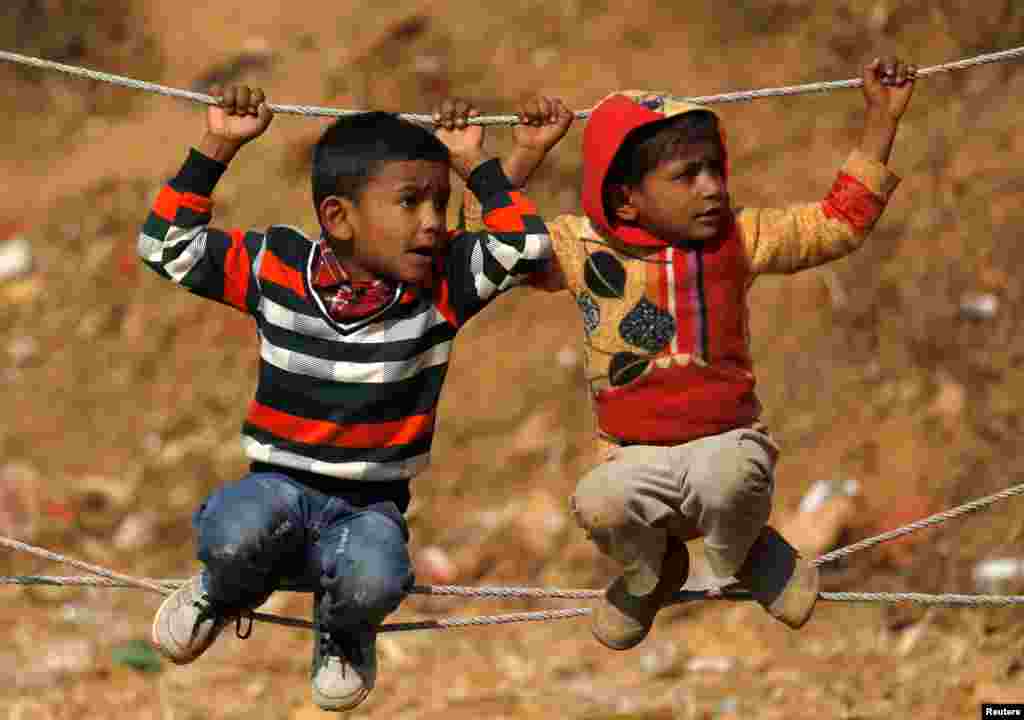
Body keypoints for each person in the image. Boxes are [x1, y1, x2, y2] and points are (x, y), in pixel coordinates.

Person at [462, 58, 916, 650]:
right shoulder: (581, 248)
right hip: (630, 457)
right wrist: (526, 153)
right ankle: (651, 574)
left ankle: (744, 554)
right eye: (687, 175)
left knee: (726, 479)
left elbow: (836, 225)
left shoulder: (740, 237)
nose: (712, 187)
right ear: (626, 201)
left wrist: (882, 119)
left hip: (727, 443)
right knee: (599, 502)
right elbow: (491, 248)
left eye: (714, 170)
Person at [140, 85, 570, 711]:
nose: (432, 221)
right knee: (233, 533)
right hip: (277, 488)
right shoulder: (277, 267)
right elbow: (164, 247)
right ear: (339, 218)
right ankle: (222, 590)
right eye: (410, 202)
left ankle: (342, 632)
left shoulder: (443, 285)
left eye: (441, 203)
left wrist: (479, 162)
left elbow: (525, 249)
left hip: (369, 507)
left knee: (376, 575)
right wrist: (219, 143)